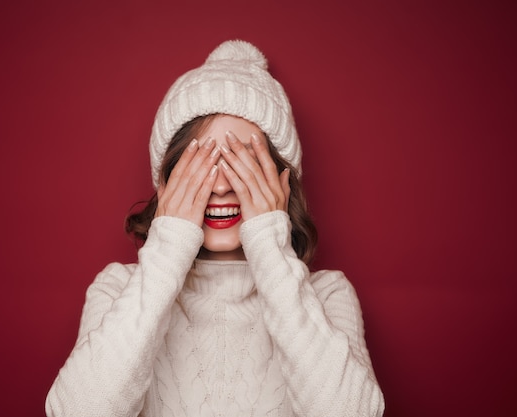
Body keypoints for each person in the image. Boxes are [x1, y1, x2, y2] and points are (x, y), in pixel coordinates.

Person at [45, 40, 385, 417]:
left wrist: (270, 246)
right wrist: (170, 244)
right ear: (167, 182)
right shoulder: (118, 289)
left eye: (243, 163)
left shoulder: (326, 295)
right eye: (201, 163)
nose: (221, 186)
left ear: (282, 181)